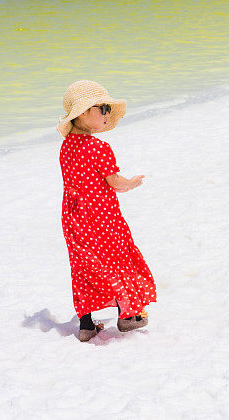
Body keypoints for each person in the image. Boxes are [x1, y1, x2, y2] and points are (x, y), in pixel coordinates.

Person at [56, 80, 157, 342]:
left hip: (74, 217)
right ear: (82, 113)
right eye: (101, 108)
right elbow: (114, 182)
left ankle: (86, 324)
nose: (106, 114)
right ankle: (128, 315)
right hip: (103, 217)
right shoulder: (99, 148)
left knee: (84, 267)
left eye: (107, 110)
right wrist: (131, 183)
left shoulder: (67, 146)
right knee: (118, 261)